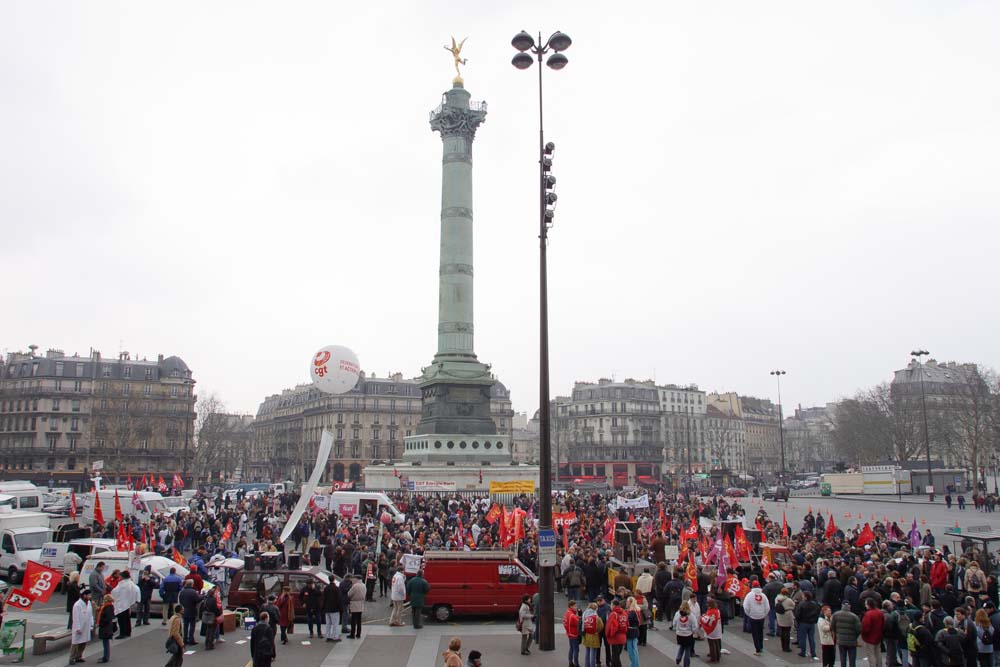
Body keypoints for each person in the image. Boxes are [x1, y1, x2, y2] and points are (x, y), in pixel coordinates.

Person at [743, 582, 771, 656]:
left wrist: (749, 614)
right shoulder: (763, 595)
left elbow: (746, 606)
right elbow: (767, 606)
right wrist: (764, 614)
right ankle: (761, 646)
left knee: (755, 633)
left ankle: (757, 649)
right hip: (761, 616)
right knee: (760, 632)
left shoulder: (749, 595)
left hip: (753, 616)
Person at [832, 601, 862, 667]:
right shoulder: (854, 616)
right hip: (852, 641)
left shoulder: (835, 615)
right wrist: (855, 636)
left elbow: (833, 626)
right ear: (850, 606)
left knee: (842, 658)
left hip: (841, 640)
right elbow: (859, 629)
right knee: (852, 659)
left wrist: (837, 633)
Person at [111, 570, 140, 639]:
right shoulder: (130, 583)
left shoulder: (122, 584)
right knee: (127, 619)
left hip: (121, 604)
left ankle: (122, 633)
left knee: (122, 620)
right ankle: (128, 631)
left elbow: (115, 591)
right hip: (126, 603)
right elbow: (136, 589)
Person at [70, 587, 94, 665]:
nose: (90, 597)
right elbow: (75, 617)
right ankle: (72, 658)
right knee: (75, 643)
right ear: (84, 595)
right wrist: (78, 628)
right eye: (88, 595)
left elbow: (90, 614)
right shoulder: (77, 605)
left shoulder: (89, 603)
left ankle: (79, 656)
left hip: (86, 626)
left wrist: (91, 624)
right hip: (79, 626)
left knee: (83, 642)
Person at [795, 590, 821, 659]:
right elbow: (817, 612)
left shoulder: (801, 604)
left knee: (803, 638)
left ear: (805, 597)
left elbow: (798, 614)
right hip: (811, 623)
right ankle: (813, 653)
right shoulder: (815, 604)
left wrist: (798, 621)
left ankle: (803, 652)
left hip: (803, 623)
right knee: (811, 638)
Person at [861, 597, 885, 667]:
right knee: (878, 653)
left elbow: (865, 627)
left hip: (869, 637)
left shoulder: (868, 614)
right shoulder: (880, 612)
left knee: (871, 655)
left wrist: (863, 634)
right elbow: (883, 624)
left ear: (868, 604)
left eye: (866, 604)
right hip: (878, 636)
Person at [672, 601, 698, 667]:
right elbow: (695, 625)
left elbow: (674, 623)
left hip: (679, 634)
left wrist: (677, 629)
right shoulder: (691, 615)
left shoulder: (677, 614)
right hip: (688, 635)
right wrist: (693, 632)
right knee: (687, 649)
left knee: (682, 646)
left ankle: (678, 658)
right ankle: (686, 664)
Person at [178, 580, 201, 646]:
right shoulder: (193, 592)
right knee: (192, 626)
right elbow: (197, 599)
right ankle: (191, 639)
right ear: (192, 585)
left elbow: (180, 601)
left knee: (185, 625)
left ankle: (185, 639)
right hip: (192, 610)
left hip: (184, 610)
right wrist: (202, 596)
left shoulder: (182, 592)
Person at [700, 598, 723, 663]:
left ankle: (713, 658)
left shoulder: (711, 612)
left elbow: (706, 620)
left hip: (712, 630)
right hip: (717, 629)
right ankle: (718, 656)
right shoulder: (717, 610)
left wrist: (702, 617)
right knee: (717, 643)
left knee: (712, 644)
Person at [582, 603, 604, 667]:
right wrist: (597, 631)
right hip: (594, 635)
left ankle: (587, 665)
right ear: (595, 608)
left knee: (587, 652)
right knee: (593, 653)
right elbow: (601, 626)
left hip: (586, 635)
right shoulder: (597, 617)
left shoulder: (585, 615)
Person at [200, 585, 221, 650]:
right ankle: (210, 644)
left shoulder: (205, 599)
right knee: (212, 631)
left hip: (206, 616)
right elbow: (215, 609)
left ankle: (207, 643)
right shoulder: (213, 600)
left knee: (208, 630)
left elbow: (202, 608)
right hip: (212, 616)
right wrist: (218, 614)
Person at [96, 593, 115, 663]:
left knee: (105, 643)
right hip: (107, 627)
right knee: (105, 643)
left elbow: (107, 618)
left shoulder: (107, 608)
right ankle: (106, 656)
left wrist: (101, 623)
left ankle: (105, 657)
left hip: (105, 628)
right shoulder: (108, 607)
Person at [776, 586, 795, 652]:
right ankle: (787, 647)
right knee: (787, 631)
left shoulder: (777, 599)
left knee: (782, 631)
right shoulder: (788, 600)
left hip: (780, 615)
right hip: (787, 615)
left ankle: (783, 646)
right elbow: (793, 605)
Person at [564, 600, 581, 667]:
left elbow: (565, 623)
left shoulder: (567, 613)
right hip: (574, 634)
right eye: (575, 606)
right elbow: (579, 624)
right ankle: (576, 664)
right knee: (576, 650)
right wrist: (580, 616)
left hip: (569, 633)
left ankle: (570, 663)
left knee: (571, 648)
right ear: (571, 606)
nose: (576, 607)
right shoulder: (572, 616)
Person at [625, 597, 641, 667]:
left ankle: (634, 665)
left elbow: (628, 621)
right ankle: (636, 665)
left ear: (630, 603)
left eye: (627, 602)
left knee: (631, 650)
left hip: (631, 631)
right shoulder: (637, 610)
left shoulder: (631, 612)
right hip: (635, 630)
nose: (626, 603)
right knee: (634, 649)